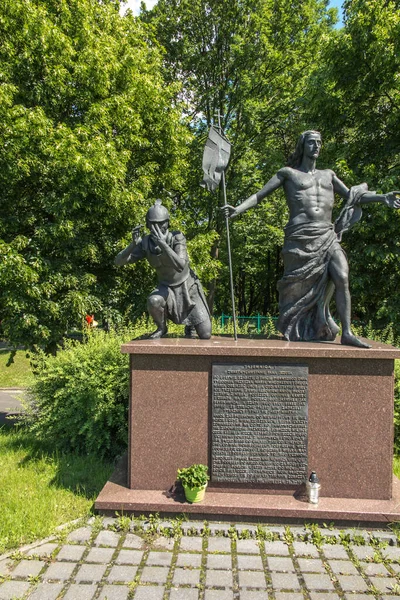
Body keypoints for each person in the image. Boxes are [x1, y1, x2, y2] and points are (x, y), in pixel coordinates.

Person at [222, 130, 400, 347]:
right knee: (296, 291)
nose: (316, 146)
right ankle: (300, 326)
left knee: (342, 276)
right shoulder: (287, 174)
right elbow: (259, 195)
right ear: (303, 146)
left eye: (319, 143)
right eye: (312, 142)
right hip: (299, 239)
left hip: (327, 235)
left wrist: (382, 198)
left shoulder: (329, 175)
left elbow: (354, 196)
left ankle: (347, 332)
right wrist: (237, 210)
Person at [115, 200, 212, 339]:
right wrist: (132, 245)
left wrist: (163, 244)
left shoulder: (177, 237)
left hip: (188, 287)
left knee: (206, 334)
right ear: (148, 225)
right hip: (166, 288)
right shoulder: (146, 243)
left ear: (167, 223)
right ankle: (161, 327)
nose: (159, 227)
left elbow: (180, 265)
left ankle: (190, 324)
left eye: (162, 223)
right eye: (154, 224)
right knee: (153, 300)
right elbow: (118, 262)